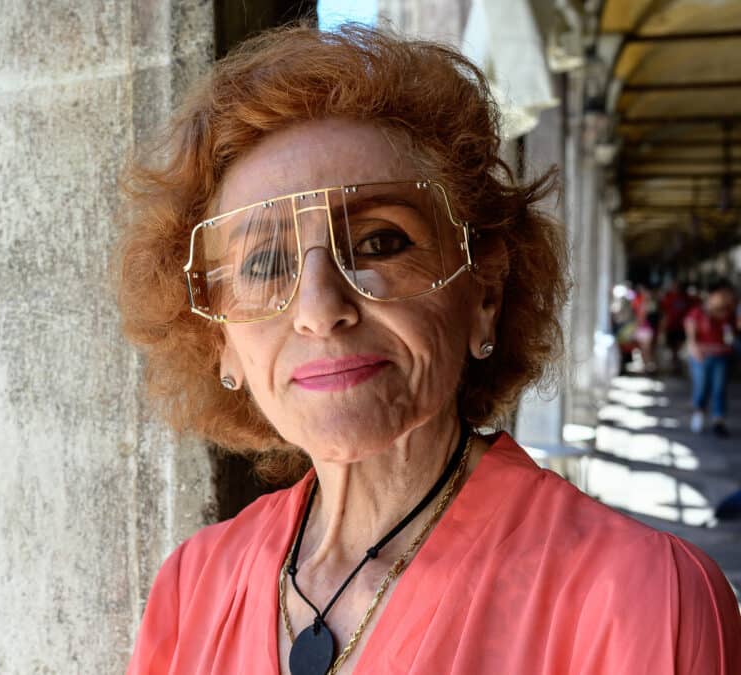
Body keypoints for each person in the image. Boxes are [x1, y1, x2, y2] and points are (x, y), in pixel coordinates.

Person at [117, 25, 740, 674]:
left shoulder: (642, 598)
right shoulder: (191, 588)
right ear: (221, 338)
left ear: (484, 296)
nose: (320, 308)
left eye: (383, 243)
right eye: (267, 262)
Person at [685, 280, 737, 438]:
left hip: (721, 356)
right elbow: (691, 339)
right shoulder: (697, 313)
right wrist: (695, 350)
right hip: (702, 357)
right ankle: (699, 412)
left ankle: (718, 420)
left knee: (719, 388)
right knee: (701, 386)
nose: (725, 298)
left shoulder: (729, 315)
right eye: (722, 295)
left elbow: (732, 336)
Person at [658, 281, 693, 375]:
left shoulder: (686, 298)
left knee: (680, 347)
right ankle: (675, 365)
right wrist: (662, 328)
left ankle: (678, 364)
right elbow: (664, 314)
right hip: (671, 326)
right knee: (672, 348)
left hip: (682, 327)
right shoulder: (668, 297)